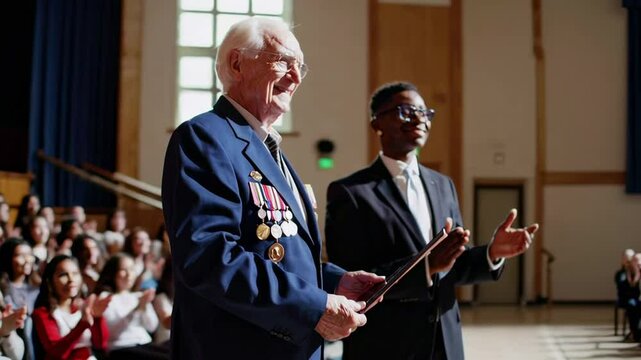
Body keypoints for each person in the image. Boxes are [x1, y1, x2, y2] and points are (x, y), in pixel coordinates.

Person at [161, 17, 385, 360]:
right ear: (237, 64)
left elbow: (272, 250)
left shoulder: (267, 149)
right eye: (284, 63)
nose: (296, 78)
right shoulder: (206, 138)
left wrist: (332, 282)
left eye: (301, 68)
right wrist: (315, 305)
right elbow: (210, 256)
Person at [325, 82, 539, 360]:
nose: (418, 118)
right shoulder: (351, 192)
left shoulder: (442, 185)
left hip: (445, 342)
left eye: (424, 112)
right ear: (377, 122)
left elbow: (452, 266)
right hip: (386, 344)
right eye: (405, 111)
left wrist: (491, 253)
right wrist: (425, 267)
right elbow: (352, 279)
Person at [32, 255, 111, 360]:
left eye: (75, 273)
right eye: (63, 275)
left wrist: (97, 318)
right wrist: (82, 324)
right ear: (50, 281)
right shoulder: (42, 313)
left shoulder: (83, 306)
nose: (71, 279)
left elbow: (101, 344)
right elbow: (56, 353)